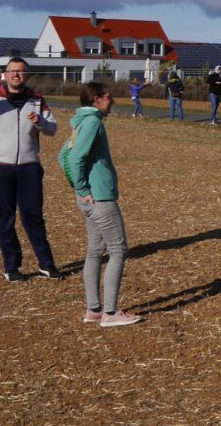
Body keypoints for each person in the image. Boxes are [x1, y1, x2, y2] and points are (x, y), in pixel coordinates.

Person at [0, 57, 64, 282]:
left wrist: (39, 120)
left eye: (20, 71)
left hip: (29, 166)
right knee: (6, 217)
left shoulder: (37, 99)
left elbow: (52, 129)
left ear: (27, 75)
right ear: (5, 75)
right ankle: (12, 267)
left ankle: (46, 265)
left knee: (34, 216)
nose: (16, 75)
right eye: (11, 71)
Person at [60, 82, 141, 327]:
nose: (113, 100)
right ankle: (110, 313)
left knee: (95, 251)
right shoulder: (93, 122)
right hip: (100, 198)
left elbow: (62, 155)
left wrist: (79, 189)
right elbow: (74, 158)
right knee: (118, 250)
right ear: (96, 100)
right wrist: (83, 189)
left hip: (91, 199)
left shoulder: (81, 121)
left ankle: (93, 310)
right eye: (109, 97)